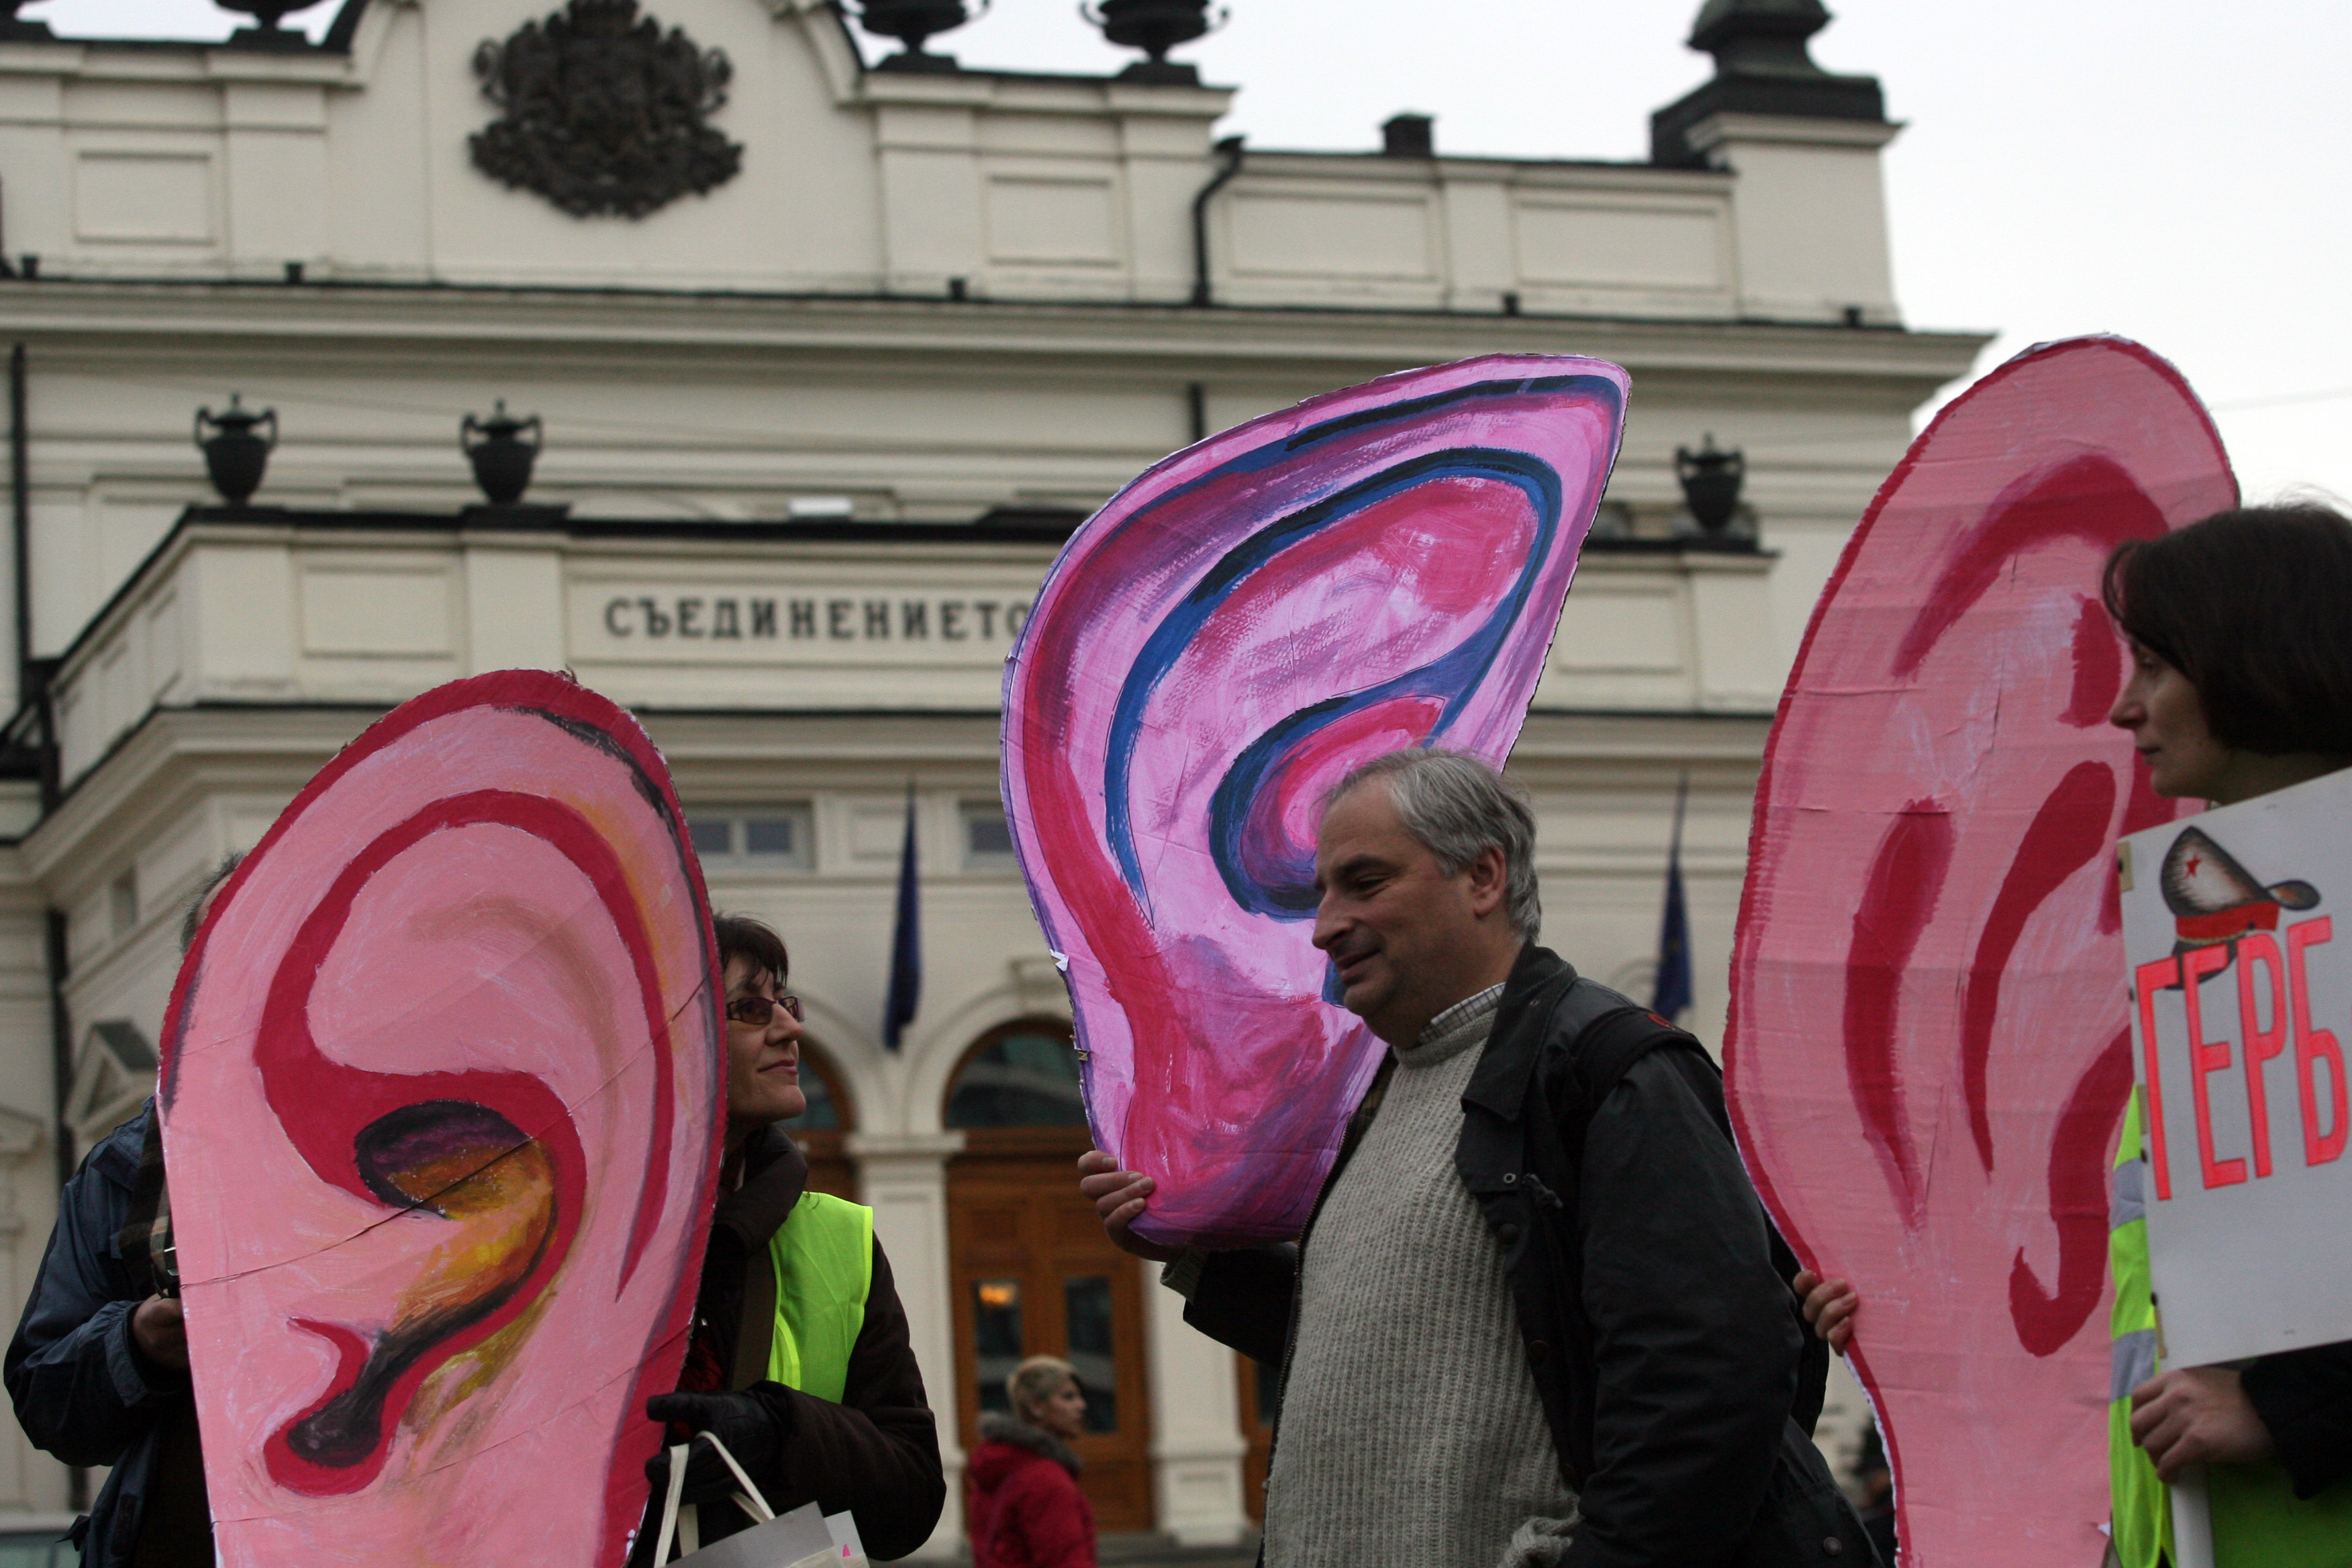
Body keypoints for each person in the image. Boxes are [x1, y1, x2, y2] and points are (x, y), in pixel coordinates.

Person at [1079, 749, 1873, 1567]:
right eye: (1322, 892)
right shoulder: (1388, 1091)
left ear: (1484, 876)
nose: (1323, 925)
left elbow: (1711, 1385)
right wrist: (1193, 1251)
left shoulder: (1604, 1070)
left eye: (1365, 881)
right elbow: (1402, 1352)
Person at [1798, 503, 2352, 1567]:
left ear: (2257, 656)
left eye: (2150, 664)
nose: (2120, 706)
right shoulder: (2217, 935)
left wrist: (2293, 1409)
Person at [631, 913, 944, 1563]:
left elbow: (911, 1495)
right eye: (750, 1007)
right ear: (665, 1032)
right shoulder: (561, 1235)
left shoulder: (838, 1234)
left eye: (785, 1002)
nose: (791, 1028)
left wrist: (779, 1431)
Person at [6, 851, 242, 1568]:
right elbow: (45, 1395)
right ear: (191, 988)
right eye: (227, 944)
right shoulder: (129, 1163)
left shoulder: (420, 1136)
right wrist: (137, 1340)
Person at [966, 1355, 1097, 1568]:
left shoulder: (999, 1464)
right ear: (1036, 1406)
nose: (1081, 1405)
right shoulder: (1044, 1477)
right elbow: (1066, 1559)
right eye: (1068, 1397)